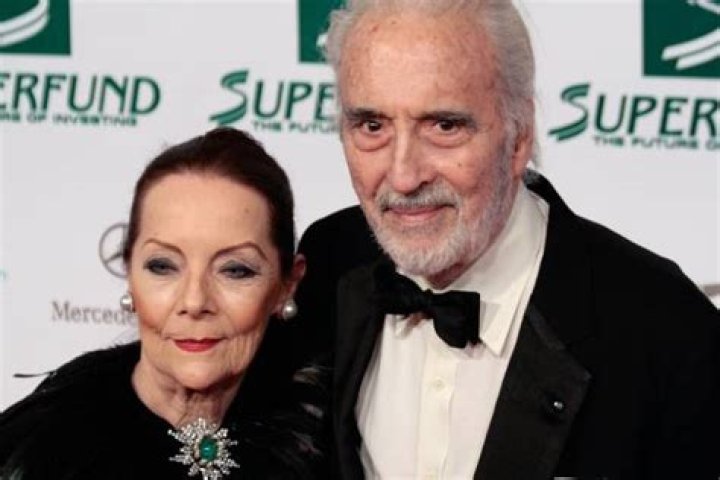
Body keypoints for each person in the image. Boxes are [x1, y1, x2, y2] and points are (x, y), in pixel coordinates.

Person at [294, 0, 720, 478]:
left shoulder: (664, 328)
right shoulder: (329, 262)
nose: (404, 176)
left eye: (444, 126)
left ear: (519, 137)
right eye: (372, 126)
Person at [0, 127, 328, 479]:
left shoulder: (323, 435)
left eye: (235, 270)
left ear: (287, 285)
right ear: (129, 272)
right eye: (163, 266)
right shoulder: (51, 451)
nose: (194, 301)